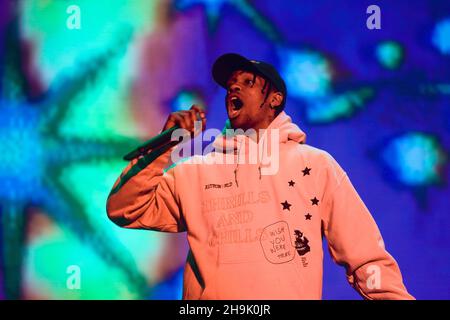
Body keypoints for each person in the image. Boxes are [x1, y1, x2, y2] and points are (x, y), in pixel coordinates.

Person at [106, 53, 414, 300]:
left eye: (247, 82)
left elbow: (365, 257)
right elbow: (124, 208)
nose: (234, 89)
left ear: (275, 98)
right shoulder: (194, 172)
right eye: (230, 85)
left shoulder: (316, 165)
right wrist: (166, 145)